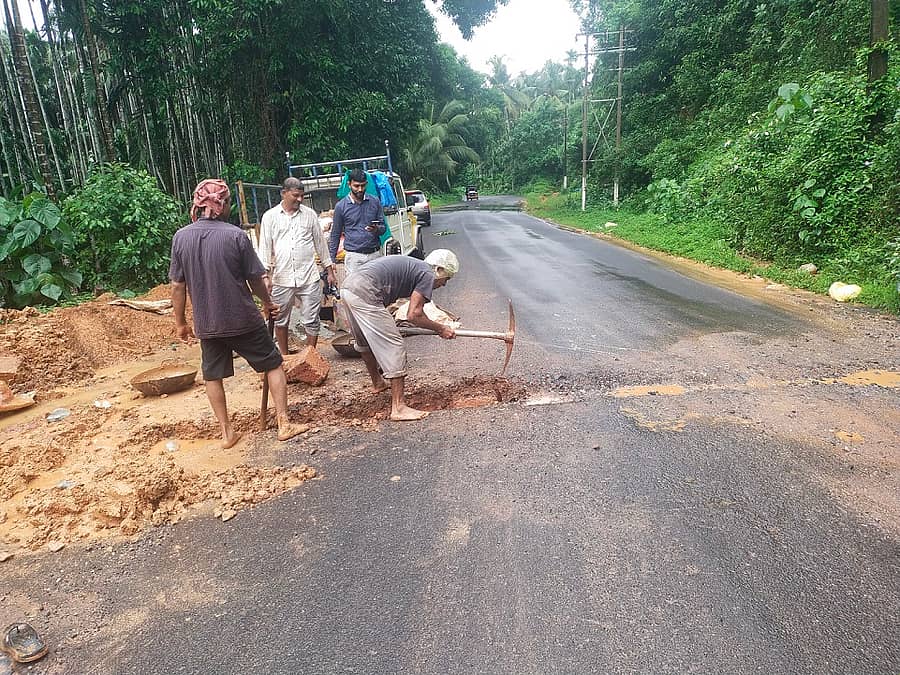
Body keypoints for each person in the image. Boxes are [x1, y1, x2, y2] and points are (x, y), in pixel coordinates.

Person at [169, 178, 307, 448]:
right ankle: (284, 423)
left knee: (212, 375)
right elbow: (255, 279)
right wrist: (267, 303)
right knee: (272, 363)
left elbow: (177, 285)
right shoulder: (235, 236)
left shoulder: (181, 237)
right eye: (229, 201)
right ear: (222, 205)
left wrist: (181, 323)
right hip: (242, 318)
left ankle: (226, 433)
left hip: (208, 323)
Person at [340, 249, 459, 421]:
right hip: (366, 292)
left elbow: (414, 311)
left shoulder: (416, 267)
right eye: (446, 278)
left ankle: (378, 383)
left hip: (348, 287)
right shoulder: (427, 273)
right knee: (394, 344)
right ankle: (399, 407)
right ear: (439, 270)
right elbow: (414, 315)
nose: (444, 284)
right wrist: (441, 329)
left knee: (364, 341)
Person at [257, 177, 336, 353]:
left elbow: (320, 244)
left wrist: (329, 271)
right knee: (280, 319)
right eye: (295, 195)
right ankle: (284, 357)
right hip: (282, 278)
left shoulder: (309, 215)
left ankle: (311, 356)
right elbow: (265, 249)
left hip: (309, 276)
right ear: (284, 193)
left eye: (302, 196)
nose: (299, 199)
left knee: (311, 319)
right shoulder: (270, 217)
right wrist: (265, 277)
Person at [329, 168, 384, 274]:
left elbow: (383, 227)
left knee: (378, 288)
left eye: (363, 186)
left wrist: (376, 229)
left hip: (375, 254)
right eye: (356, 186)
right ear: (349, 185)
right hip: (354, 257)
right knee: (355, 288)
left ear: (366, 184)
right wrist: (332, 260)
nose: (360, 189)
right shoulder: (341, 206)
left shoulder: (375, 202)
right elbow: (335, 234)